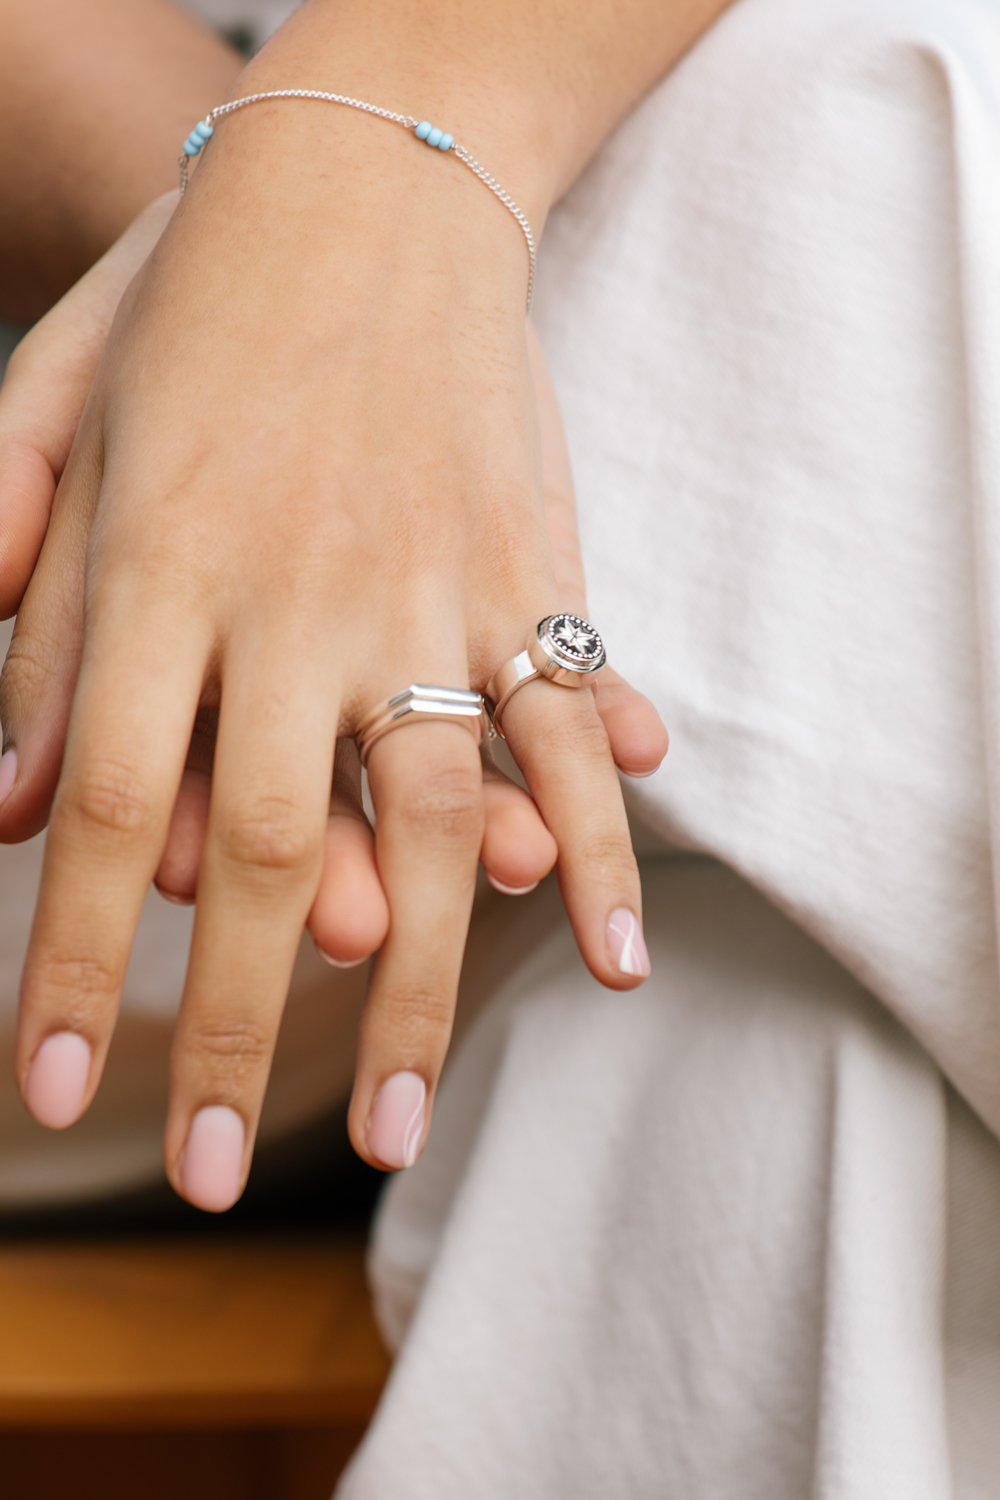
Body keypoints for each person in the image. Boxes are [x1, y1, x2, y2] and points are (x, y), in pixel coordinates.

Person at [6, 0, 1000, 1496]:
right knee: (866, 133)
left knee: (774, 1076)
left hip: (519, 159)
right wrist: (300, 257)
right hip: (77, 592)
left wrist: (378, 143)